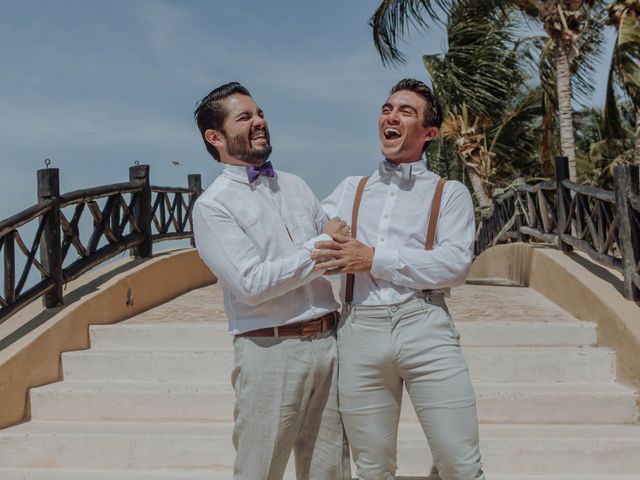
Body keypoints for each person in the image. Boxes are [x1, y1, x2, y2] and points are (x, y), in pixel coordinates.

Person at [315, 78, 485, 480]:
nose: (391, 116)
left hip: (424, 324)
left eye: (405, 111)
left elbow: (455, 264)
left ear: (429, 133)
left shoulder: (450, 193)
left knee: (459, 463)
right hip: (358, 329)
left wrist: (373, 258)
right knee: (372, 468)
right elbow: (313, 241)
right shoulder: (349, 189)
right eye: (387, 109)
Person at [191, 82, 351, 480]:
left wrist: (330, 247)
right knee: (260, 471)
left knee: (332, 470)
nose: (260, 122)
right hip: (270, 350)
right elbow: (253, 284)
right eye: (244, 117)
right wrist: (323, 244)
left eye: (259, 113)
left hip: (330, 343)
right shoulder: (213, 207)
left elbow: (336, 255)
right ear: (215, 137)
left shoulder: (295, 185)